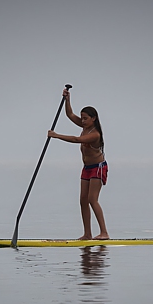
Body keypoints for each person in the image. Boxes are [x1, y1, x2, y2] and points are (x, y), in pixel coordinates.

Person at [48, 87, 109, 240]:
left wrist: (56, 135)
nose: (82, 121)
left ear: (93, 118)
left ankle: (104, 233)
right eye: (82, 118)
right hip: (86, 168)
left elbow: (77, 140)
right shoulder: (84, 127)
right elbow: (69, 114)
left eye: (85, 118)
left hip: (98, 168)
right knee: (82, 200)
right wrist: (67, 100)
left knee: (92, 199)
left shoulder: (95, 134)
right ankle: (87, 234)